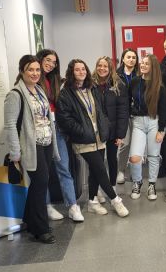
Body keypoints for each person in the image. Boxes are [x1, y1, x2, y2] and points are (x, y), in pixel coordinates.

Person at [57, 59, 129, 217]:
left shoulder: (91, 87)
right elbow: (64, 118)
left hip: (98, 137)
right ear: (71, 72)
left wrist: (104, 128)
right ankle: (115, 200)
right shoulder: (66, 92)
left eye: (83, 69)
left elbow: (101, 110)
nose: (81, 72)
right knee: (100, 169)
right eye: (77, 70)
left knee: (96, 171)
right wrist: (82, 131)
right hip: (83, 139)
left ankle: (91, 202)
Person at [4, 54, 60, 243]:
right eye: (31, 69)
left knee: (39, 184)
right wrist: (15, 153)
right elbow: (10, 125)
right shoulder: (15, 94)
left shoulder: (39, 89)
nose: (35, 73)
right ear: (22, 71)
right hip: (31, 146)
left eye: (37, 69)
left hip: (46, 143)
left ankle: (29, 219)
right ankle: (41, 229)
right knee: (40, 184)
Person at [35, 49, 82, 222]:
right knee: (44, 171)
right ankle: (47, 206)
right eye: (47, 60)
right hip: (40, 129)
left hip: (57, 128)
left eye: (54, 62)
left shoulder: (55, 81)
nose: (50, 64)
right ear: (40, 60)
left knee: (63, 167)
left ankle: (72, 206)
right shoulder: (32, 80)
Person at [128, 55, 166, 200]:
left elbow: (164, 110)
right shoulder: (134, 82)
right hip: (138, 123)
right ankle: (137, 182)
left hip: (154, 122)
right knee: (134, 157)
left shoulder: (160, 86)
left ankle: (151, 184)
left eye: (146, 63)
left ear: (153, 67)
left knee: (153, 156)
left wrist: (161, 130)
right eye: (142, 63)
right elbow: (127, 102)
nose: (142, 65)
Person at [92, 56, 128, 203]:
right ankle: (98, 190)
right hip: (96, 130)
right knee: (98, 162)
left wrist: (120, 134)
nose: (102, 68)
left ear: (110, 68)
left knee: (112, 159)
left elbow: (123, 111)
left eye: (105, 66)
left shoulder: (118, 85)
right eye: (99, 65)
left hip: (113, 130)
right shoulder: (90, 84)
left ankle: (112, 187)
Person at [115, 49, 139, 184]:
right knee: (125, 143)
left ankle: (135, 172)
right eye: (128, 57)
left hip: (137, 113)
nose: (131, 59)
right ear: (123, 59)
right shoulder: (116, 75)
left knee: (137, 144)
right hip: (123, 114)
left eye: (134, 57)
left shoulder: (140, 74)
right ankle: (121, 171)